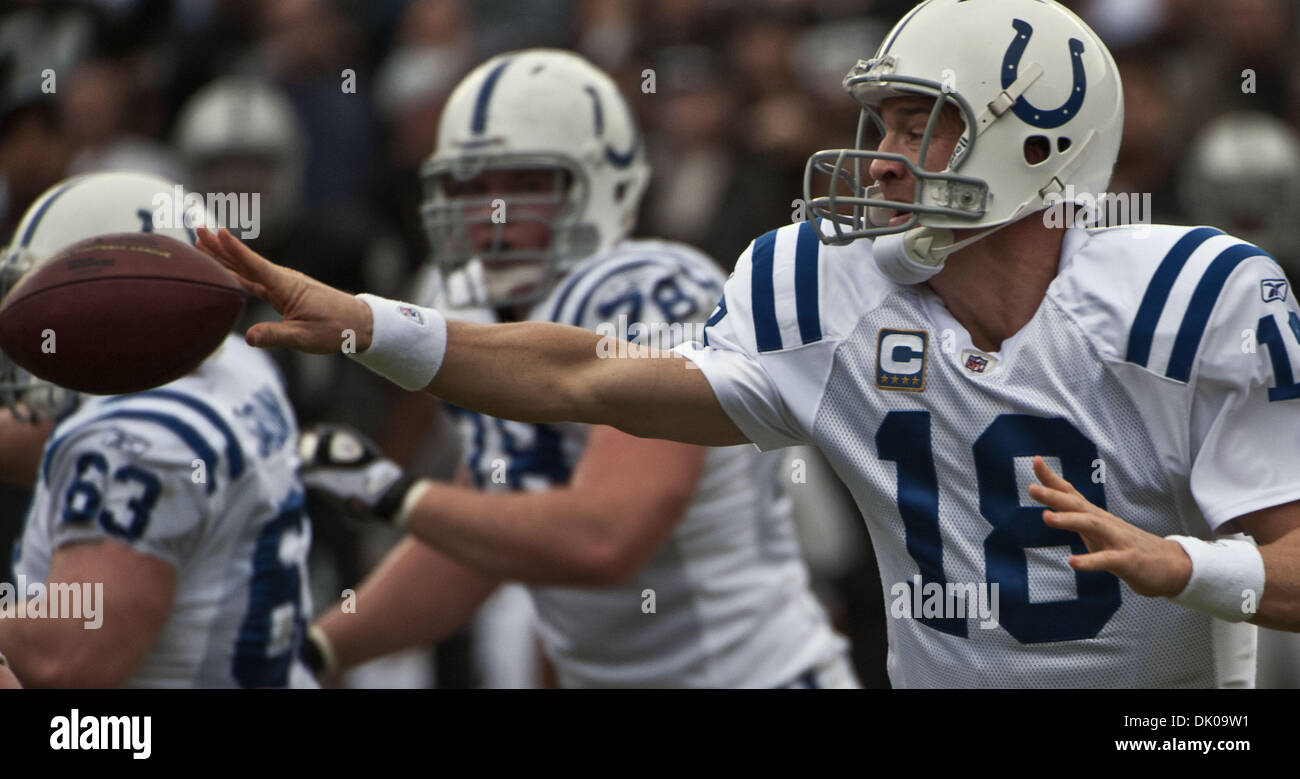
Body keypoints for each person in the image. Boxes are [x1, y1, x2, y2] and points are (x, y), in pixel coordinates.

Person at [198, 0, 1300, 688]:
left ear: (1040, 137)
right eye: (884, 122)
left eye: (924, 124)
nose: (880, 156)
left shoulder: (1188, 297)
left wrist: (1186, 565)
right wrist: (366, 324)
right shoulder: (827, 287)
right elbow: (588, 372)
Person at [293, 49, 856, 688]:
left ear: (602, 182)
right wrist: (315, 652)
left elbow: (606, 538)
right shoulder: (461, 302)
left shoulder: (650, 292)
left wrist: (393, 494)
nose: (492, 212)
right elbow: (474, 545)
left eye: (526, 183)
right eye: (471, 186)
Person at [0, 171, 316, 688]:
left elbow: (68, 656)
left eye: (37, 300)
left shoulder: (136, 444)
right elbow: (50, 431)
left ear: (105, 296)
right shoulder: (235, 363)